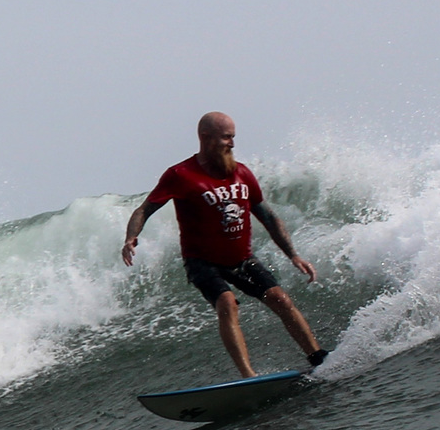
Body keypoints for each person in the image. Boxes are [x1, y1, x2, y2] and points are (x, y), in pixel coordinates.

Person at [121, 111, 326, 378]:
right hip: (202, 262)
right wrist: (130, 237)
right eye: (226, 137)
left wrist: (293, 256)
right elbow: (144, 210)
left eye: (233, 137)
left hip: (241, 259)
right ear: (206, 138)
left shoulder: (241, 173)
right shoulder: (180, 175)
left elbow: (268, 217)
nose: (231, 143)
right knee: (227, 303)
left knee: (280, 298)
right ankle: (249, 376)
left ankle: (318, 356)